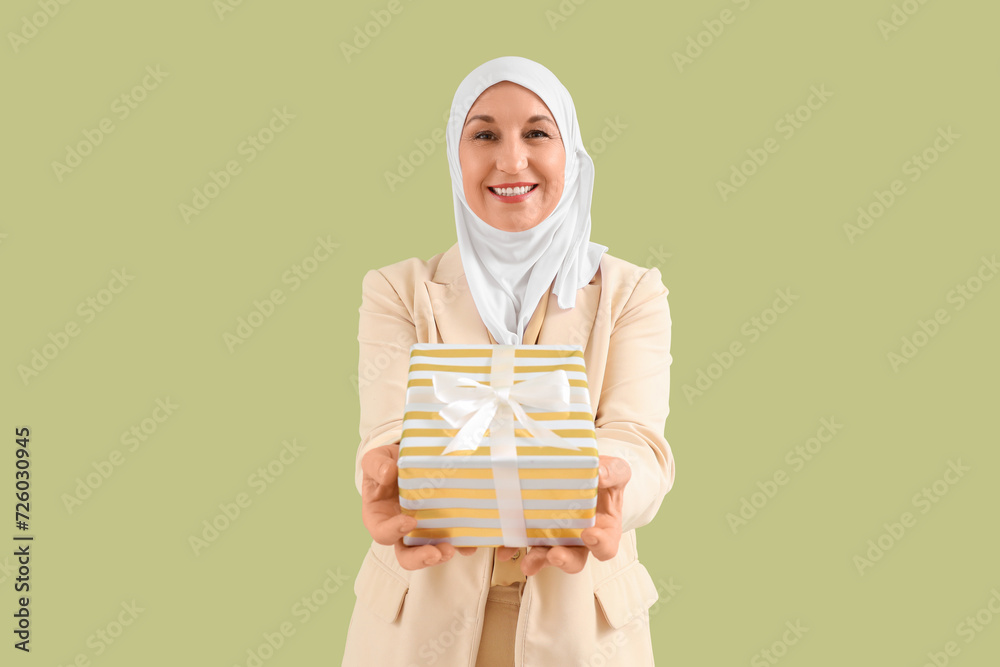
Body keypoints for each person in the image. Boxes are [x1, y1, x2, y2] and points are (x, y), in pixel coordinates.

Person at [343, 56, 675, 667]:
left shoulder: (630, 292)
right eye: (485, 135)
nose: (512, 160)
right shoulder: (398, 291)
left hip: (582, 630)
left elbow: (638, 440)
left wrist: (607, 487)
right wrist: (385, 474)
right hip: (418, 628)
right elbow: (390, 430)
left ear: (571, 153)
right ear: (456, 155)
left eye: (537, 133)